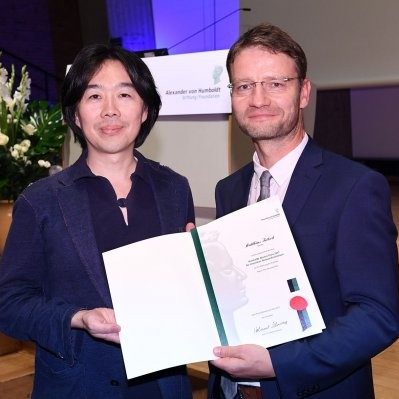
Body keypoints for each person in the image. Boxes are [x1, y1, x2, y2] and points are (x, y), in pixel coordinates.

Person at [208, 23, 399, 399]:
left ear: (303, 92)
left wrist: (278, 365)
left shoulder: (356, 187)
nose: (258, 98)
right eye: (244, 86)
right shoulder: (228, 191)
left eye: (275, 83)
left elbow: (378, 315)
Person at [0, 44, 194, 399]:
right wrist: (77, 317)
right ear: (75, 114)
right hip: (77, 385)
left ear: (145, 109)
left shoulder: (175, 189)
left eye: (124, 94)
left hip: (164, 387)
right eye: (94, 96)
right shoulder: (40, 200)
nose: (110, 110)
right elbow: (9, 305)